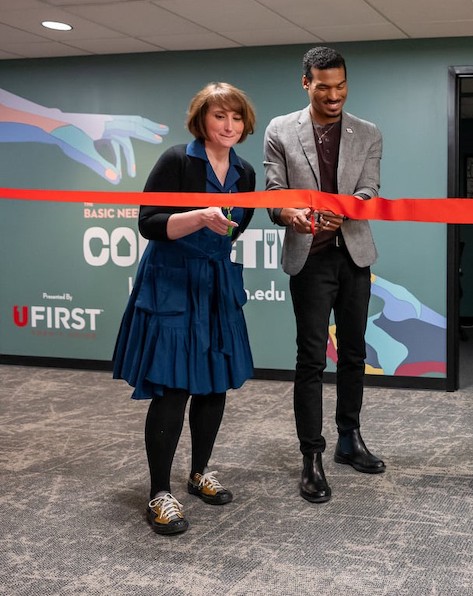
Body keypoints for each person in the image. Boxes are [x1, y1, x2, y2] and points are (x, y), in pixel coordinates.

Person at [112, 82, 257, 535]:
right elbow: (147, 223)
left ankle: (199, 474)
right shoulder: (177, 159)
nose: (228, 125)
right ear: (202, 120)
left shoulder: (246, 171)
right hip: (172, 281)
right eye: (219, 117)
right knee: (173, 389)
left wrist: (216, 228)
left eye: (236, 117)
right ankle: (159, 492)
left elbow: (236, 228)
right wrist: (198, 216)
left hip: (215, 283)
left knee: (214, 388)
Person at [264, 46, 384, 504]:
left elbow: (370, 188)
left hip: (353, 255)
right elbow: (274, 192)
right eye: (323, 87)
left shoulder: (368, 133)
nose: (333, 96)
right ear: (306, 83)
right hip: (309, 258)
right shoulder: (280, 130)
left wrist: (349, 208)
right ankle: (310, 456)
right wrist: (290, 215)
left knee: (353, 354)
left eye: (341, 86)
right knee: (311, 359)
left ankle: (349, 440)